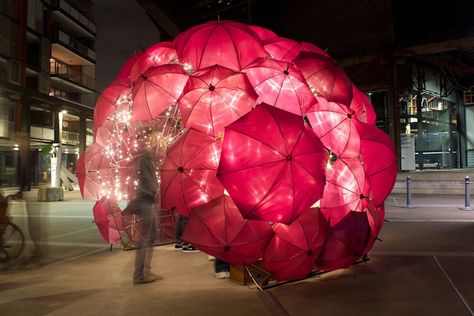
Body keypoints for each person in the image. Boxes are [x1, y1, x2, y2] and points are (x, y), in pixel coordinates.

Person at [133, 150, 161, 284]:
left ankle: (146, 271)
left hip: (148, 199)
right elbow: (146, 176)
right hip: (145, 199)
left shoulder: (151, 155)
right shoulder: (146, 154)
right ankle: (139, 275)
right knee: (145, 237)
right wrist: (154, 191)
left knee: (153, 235)